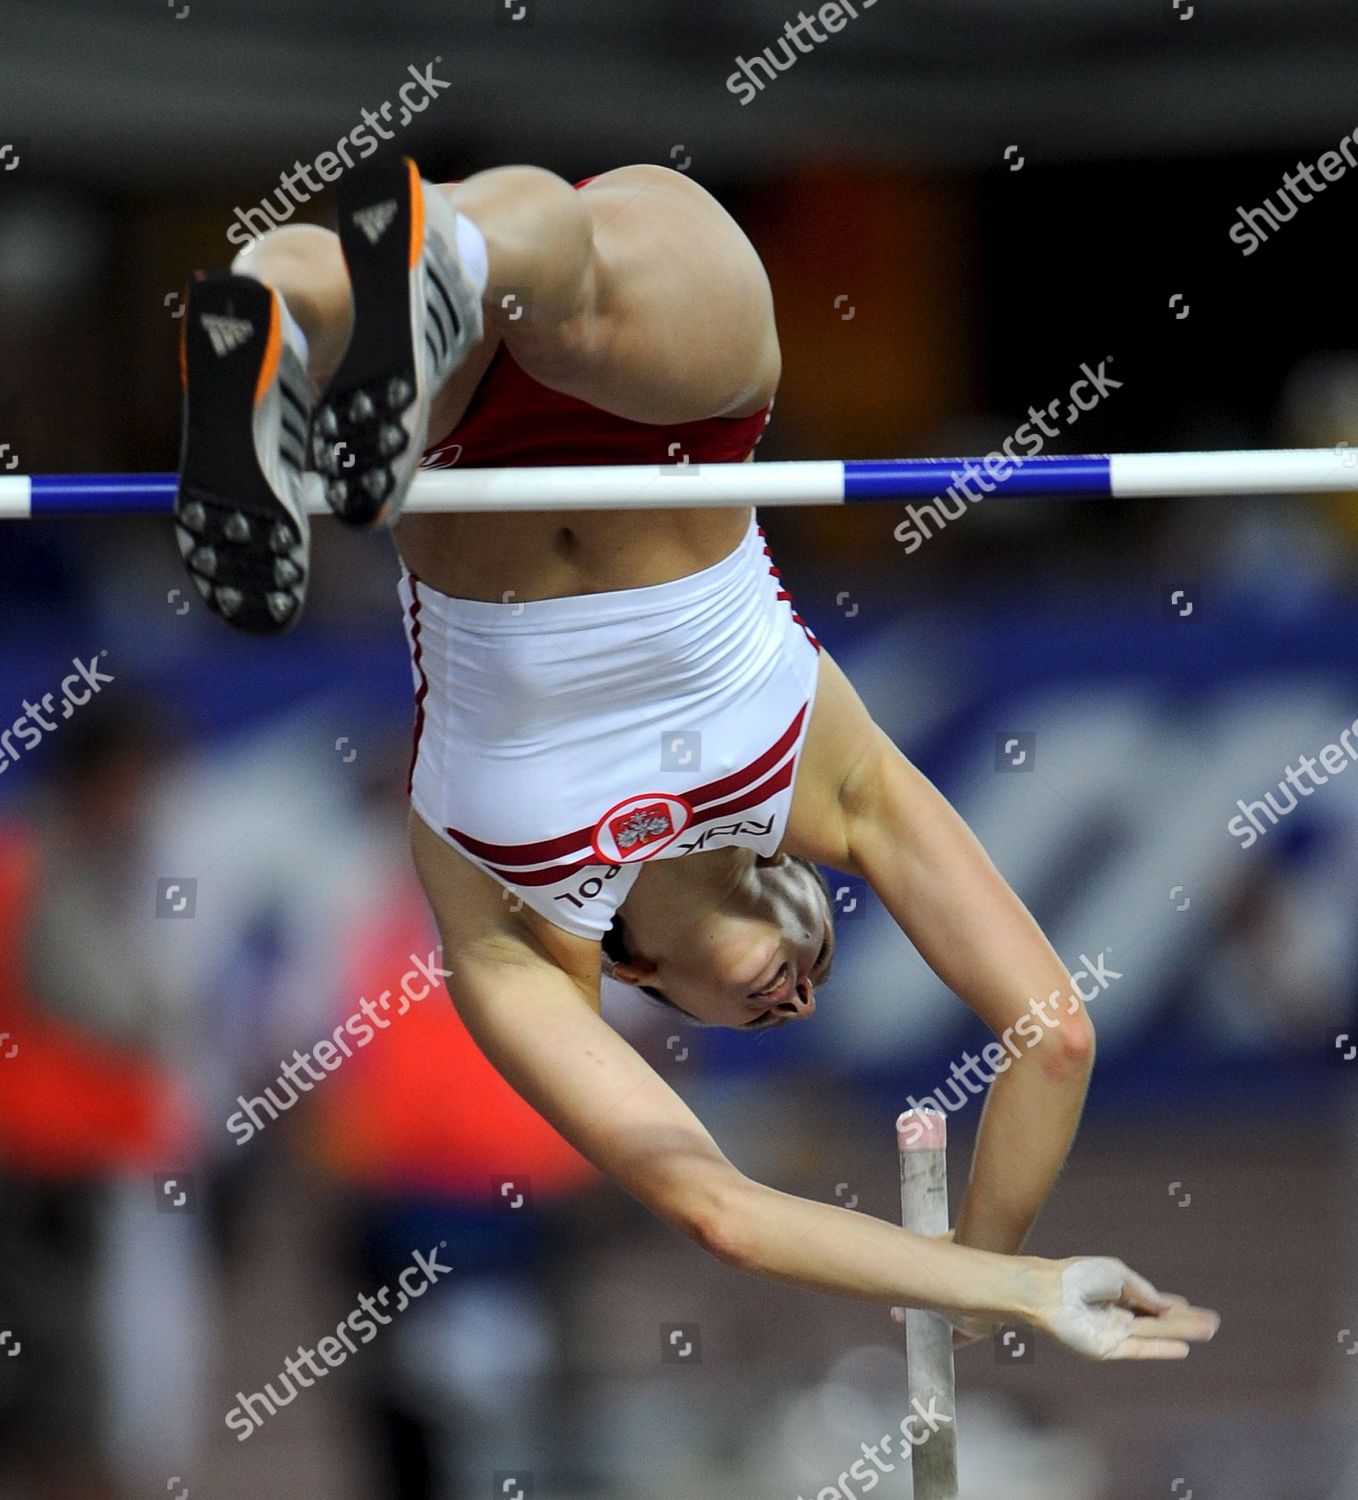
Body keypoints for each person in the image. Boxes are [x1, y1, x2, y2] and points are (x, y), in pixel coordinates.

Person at [173, 154, 1219, 1359]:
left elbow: (716, 1206)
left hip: (448, 449)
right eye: (819, 967)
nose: (803, 993)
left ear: (644, 983)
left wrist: (996, 1297)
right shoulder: (824, 780)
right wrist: (995, 1278)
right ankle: (435, 258)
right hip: (676, 407)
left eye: (766, 1019)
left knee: (395, 303)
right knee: (569, 300)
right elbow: (1052, 1034)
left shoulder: (515, 929)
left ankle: (269, 312)